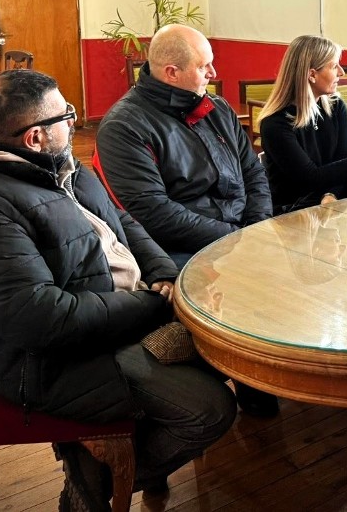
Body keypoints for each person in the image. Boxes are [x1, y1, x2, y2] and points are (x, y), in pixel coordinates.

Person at [0, 70, 236, 509]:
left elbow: (124, 223)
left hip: (109, 319)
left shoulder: (53, 162)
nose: (74, 121)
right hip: (43, 358)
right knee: (209, 410)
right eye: (67, 115)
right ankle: (95, 482)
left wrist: (162, 273)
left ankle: (99, 467)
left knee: (223, 354)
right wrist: (153, 305)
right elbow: (40, 320)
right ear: (35, 137)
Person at [95, 24, 278, 417]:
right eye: (204, 66)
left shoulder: (217, 108)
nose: (213, 73)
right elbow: (154, 213)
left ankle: (268, 368)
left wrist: (259, 226)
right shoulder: (124, 126)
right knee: (243, 285)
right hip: (177, 247)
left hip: (240, 232)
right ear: (171, 72)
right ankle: (229, 376)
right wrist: (236, 240)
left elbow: (253, 172)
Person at [259, 35, 347, 213]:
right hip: (296, 207)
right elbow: (309, 178)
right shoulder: (275, 124)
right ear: (312, 75)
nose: (341, 72)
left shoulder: (336, 106)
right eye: (334, 66)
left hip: (331, 196)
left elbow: (344, 161)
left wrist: (330, 194)